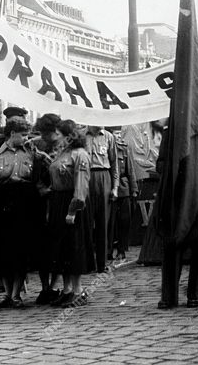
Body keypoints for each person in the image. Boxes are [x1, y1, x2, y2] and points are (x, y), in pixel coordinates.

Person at [157, 120, 198, 309]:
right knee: (171, 248)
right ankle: (169, 296)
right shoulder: (171, 132)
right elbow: (161, 163)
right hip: (176, 201)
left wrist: (191, 183)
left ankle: (194, 295)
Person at [0, 116, 39, 309]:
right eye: (23, 135)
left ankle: (16, 295)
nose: (26, 138)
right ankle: (7, 293)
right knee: (3, 252)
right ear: (12, 134)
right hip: (2, 207)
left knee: (21, 252)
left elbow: (37, 180)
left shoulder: (31, 154)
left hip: (24, 207)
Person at [47, 119, 94, 307]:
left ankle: (77, 290)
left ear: (69, 136)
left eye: (58, 134)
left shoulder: (80, 155)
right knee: (62, 249)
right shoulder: (62, 153)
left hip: (72, 203)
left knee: (74, 247)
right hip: (58, 201)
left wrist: (73, 210)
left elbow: (81, 186)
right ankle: (66, 290)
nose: (54, 137)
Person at [29, 113, 63, 305]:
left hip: (59, 199)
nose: (45, 137)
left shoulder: (66, 144)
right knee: (43, 248)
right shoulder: (36, 144)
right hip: (41, 201)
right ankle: (45, 287)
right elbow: (33, 175)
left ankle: (56, 285)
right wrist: (42, 189)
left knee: (59, 247)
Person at [85, 125, 119, 273]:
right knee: (86, 223)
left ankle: (101, 263)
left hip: (104, 177)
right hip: (86, 178)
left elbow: (114, 163)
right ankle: (87, 263)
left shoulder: (108, 137)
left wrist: (115, 187)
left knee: (102, 224)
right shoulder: (81, 136)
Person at [108, 127, 138, 262]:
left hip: (124, 189)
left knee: (124, 221)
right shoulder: (107, 149)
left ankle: (121, 250)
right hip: (109, 189)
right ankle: (108, 250)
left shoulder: (124, 149)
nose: (119, 137)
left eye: (120, 134)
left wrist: (134, 189)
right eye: (116, 134)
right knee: (110, 222)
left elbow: (130, 170)